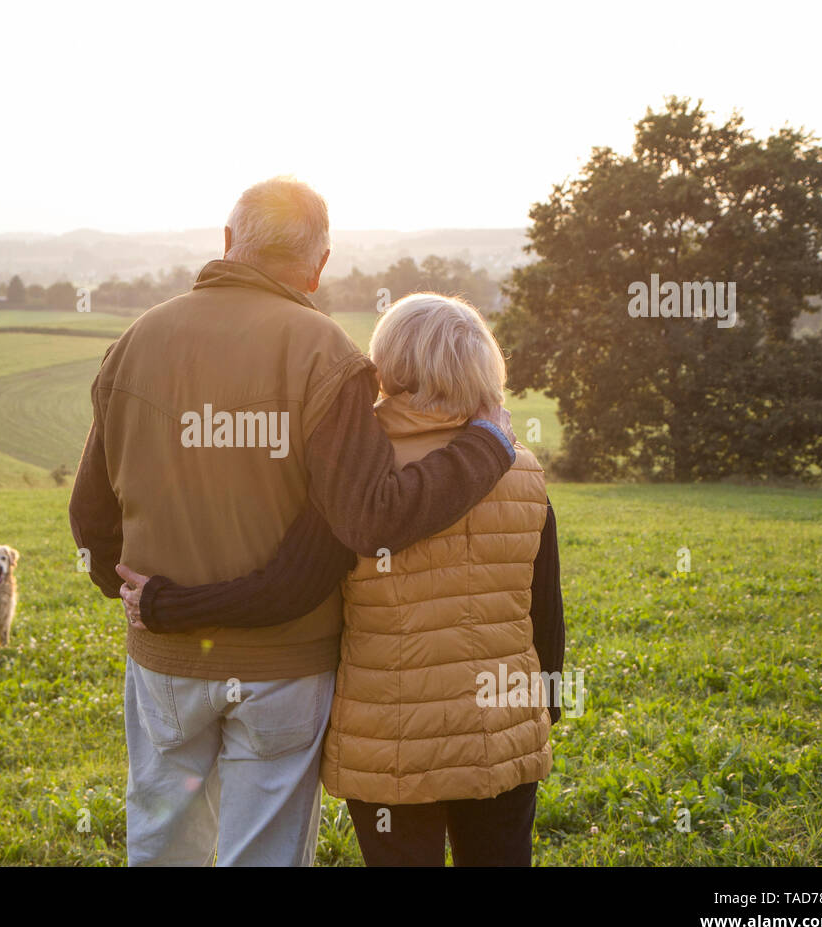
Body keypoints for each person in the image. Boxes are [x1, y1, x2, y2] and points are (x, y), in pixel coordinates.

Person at [68, 177, 518, 866]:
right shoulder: (328, 356)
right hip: (286, 667)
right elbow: (370, 516)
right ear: (320, 264)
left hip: (163, 658)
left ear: (227, 242)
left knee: (163, 843)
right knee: (264, 855)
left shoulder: (135, 341)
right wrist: (487, 443)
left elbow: (90, 517)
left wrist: (126, 589)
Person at [121, 292, 566, 866]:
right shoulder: (521, 467)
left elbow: (288, 589)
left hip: (388, 747)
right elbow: (544, 616)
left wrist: (168, 604)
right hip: (502, 732)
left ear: (388, 366)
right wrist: (539, 714)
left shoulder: (353, 471)